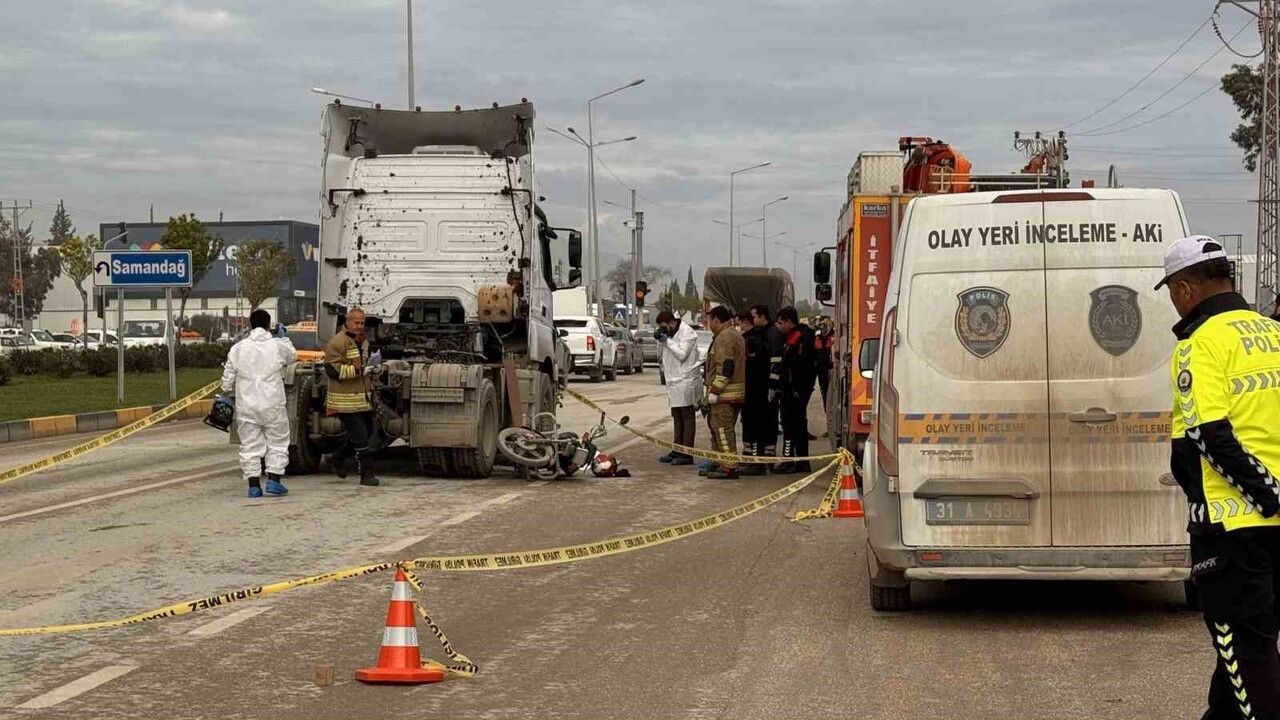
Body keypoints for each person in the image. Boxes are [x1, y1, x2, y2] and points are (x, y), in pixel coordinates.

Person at [1159, 235, 1280, 720]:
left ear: (1186, 288)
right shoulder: (1272, 334)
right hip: (1271, 531)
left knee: (1249, 659)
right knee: (1241, 662)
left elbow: (1207, 436)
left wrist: (1269, 496)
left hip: (1232, 533)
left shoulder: (1200, 346)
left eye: (1170, 290)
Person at [219, 309, 298, 498]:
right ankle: (274, 480)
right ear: (269, 324)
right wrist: (285, 338)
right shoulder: (277, 345)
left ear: (250, 325)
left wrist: (227, 391)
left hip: (247, 404)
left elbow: (227, 378)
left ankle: (253, 486)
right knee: (277, 442)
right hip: (272, 403)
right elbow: (293, 356)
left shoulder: (238, 348)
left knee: (249, 445)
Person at [321, 308, 383, 487]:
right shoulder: (336, 342)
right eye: (356, 323)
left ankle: (337, 457)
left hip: (361, 398)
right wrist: (361, 370)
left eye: (362, 323)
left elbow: (364, 363)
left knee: (368, 430)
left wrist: (375, 368)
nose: (360, 326)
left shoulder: (362, 341)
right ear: (347, 321)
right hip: (344, 400)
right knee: (361, 437)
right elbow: (332, 371)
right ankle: (367, 474)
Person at [701, 305, 746, 479]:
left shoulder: (725, 337)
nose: (709, 324)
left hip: (724, 395)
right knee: (718, 430)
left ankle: (728, 466)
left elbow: (726, 367)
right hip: (728, 394)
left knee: (722, 431)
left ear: (717, 320)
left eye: (709, 320)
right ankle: (721, 462)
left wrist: (714, 391)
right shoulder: (731, 335)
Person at [654, 310, 700, 466]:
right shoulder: (671, 334)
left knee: (687, 416)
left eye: (663, 326)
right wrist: (661, 340)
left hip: (686, 380)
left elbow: (681, 354)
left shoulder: (688, 333)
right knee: (677, 416)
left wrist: (667, 341)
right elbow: (663, 356)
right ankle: (677, 448)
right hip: (673, 381)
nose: (663, 330)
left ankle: (687, 453)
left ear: (671, 322)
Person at [774, 306, 817, 473]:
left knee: (790, 425)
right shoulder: (795, 336)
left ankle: (789, 460)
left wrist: (795, 388)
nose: (779, 326)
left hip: (794, 390)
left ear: (788, 322)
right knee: (797, 425)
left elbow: (799, 365)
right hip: (794, 389)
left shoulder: (798, 337)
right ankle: (800, 461)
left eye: (781, 323)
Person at [749, 304, 785, 458]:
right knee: (760, 422)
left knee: (767, 421)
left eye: (754, 316)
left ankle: (767, 455)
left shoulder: (772, 333)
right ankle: (763, 454)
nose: (752, 319)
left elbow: (776, 361)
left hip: (766, 386)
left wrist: (772, 385)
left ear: (762, 317)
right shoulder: (761, 332)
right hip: (759, 385)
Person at [739, 309, 772, 476]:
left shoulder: (751, 340)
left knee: (754, 427)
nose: (739, 327)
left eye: (740, 323)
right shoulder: (758, 338)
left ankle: (756, 462)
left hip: (753, 390)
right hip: (757, 390)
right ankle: (753, 460)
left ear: (746, 322)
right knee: (753, 426)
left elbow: (750, 365)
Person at [815, 317, 834, 413]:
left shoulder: (833, 336)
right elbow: (816, 351)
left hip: (831, 368)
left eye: (824, 325)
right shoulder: (818, 338)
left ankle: (829, 408)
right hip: (821, 368)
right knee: (824, 389)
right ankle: (826, 408)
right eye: (821, 325)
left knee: (831, 390)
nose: (823, 327)